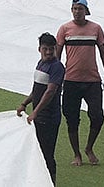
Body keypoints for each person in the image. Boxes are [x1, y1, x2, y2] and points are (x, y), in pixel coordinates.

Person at [56, 0, 104, 167]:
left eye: (80, 9)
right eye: (74, 9)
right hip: (71, 80)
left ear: (86, 11)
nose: (77, 12)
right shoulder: (64, 29)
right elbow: (57, 55)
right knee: (71, 117)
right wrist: (56, 79)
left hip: (92, 81)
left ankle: (89, 147)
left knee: (97, 116)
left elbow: (103, 53)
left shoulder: (95, 29)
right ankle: (77, 154)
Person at [16, 32, 65, 184]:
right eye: (45, 49)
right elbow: (37, 89)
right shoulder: (41, 64)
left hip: (49, 118)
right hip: (39, 116)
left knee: (47, 153)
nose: (49, 52)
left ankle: (51, 182)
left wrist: (35, 112)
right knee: (37, 151)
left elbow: (50, 91)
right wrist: (24, 104)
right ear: (39, 49)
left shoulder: (57, 67)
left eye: (51, 49)